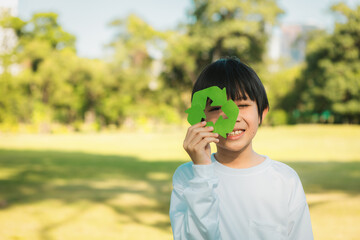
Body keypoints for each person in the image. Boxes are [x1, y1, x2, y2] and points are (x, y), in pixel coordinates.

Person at [169, 57, 313, 240]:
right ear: (200, 118)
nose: (232, 117)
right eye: (216, 108)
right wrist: (202, 172)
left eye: (242, 105)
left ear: (262, 113)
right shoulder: (188, 177)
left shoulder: (285, 180)